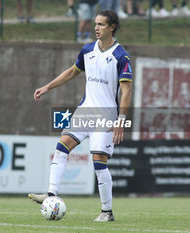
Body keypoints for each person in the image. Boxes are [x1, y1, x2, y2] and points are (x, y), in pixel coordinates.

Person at [28, 10, 132, 222]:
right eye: (95, 23)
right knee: (62, 146)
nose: (96, 27)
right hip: (85, 112)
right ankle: (50, 196)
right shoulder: (87, 50)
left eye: (101, 24)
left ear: (112, 27)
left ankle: (107, 212)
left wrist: (121, 121)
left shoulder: (121, 56)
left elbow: (127, 91)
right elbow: (71, 72)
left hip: (106, 117)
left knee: (99, 163)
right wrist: (47, 87)